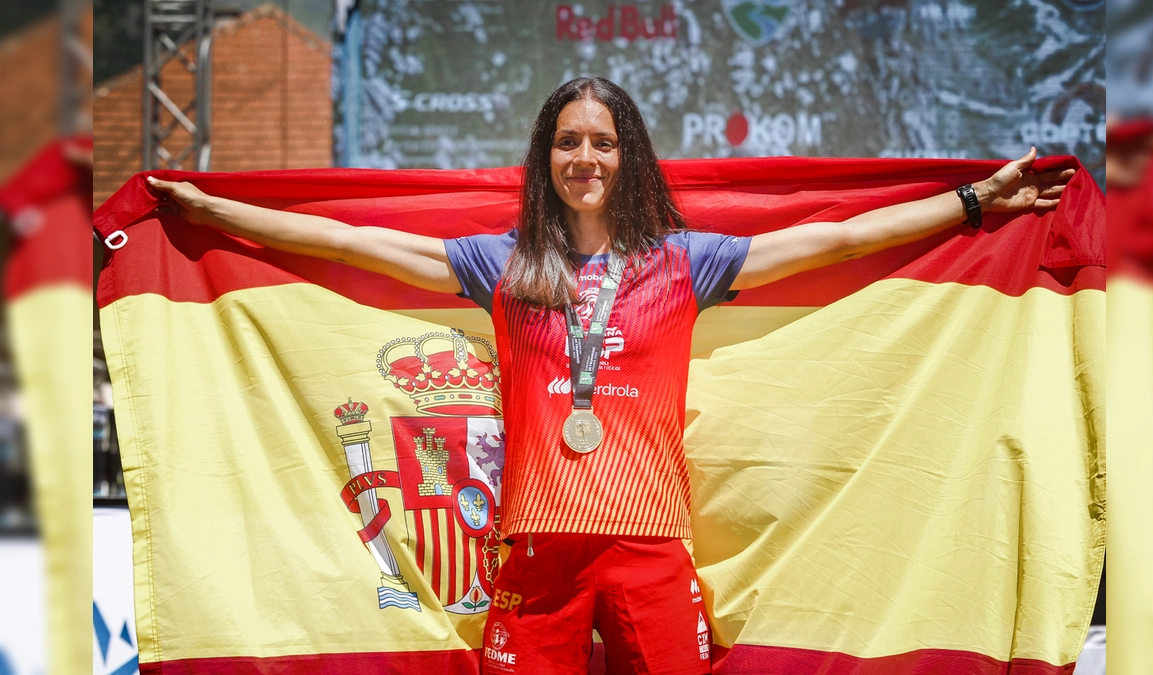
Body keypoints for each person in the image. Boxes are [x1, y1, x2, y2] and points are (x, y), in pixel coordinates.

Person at [148, 77, 1075, 675]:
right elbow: (357, 242)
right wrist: (217, 210)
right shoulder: (503, 263)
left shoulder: (687, 260)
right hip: (538, 551)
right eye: (567, 142)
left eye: (602, 142)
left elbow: (828, 241)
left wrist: (967, 203)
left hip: (649, 547)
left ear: (626, 157)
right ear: (544, 160)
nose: (584, 157)